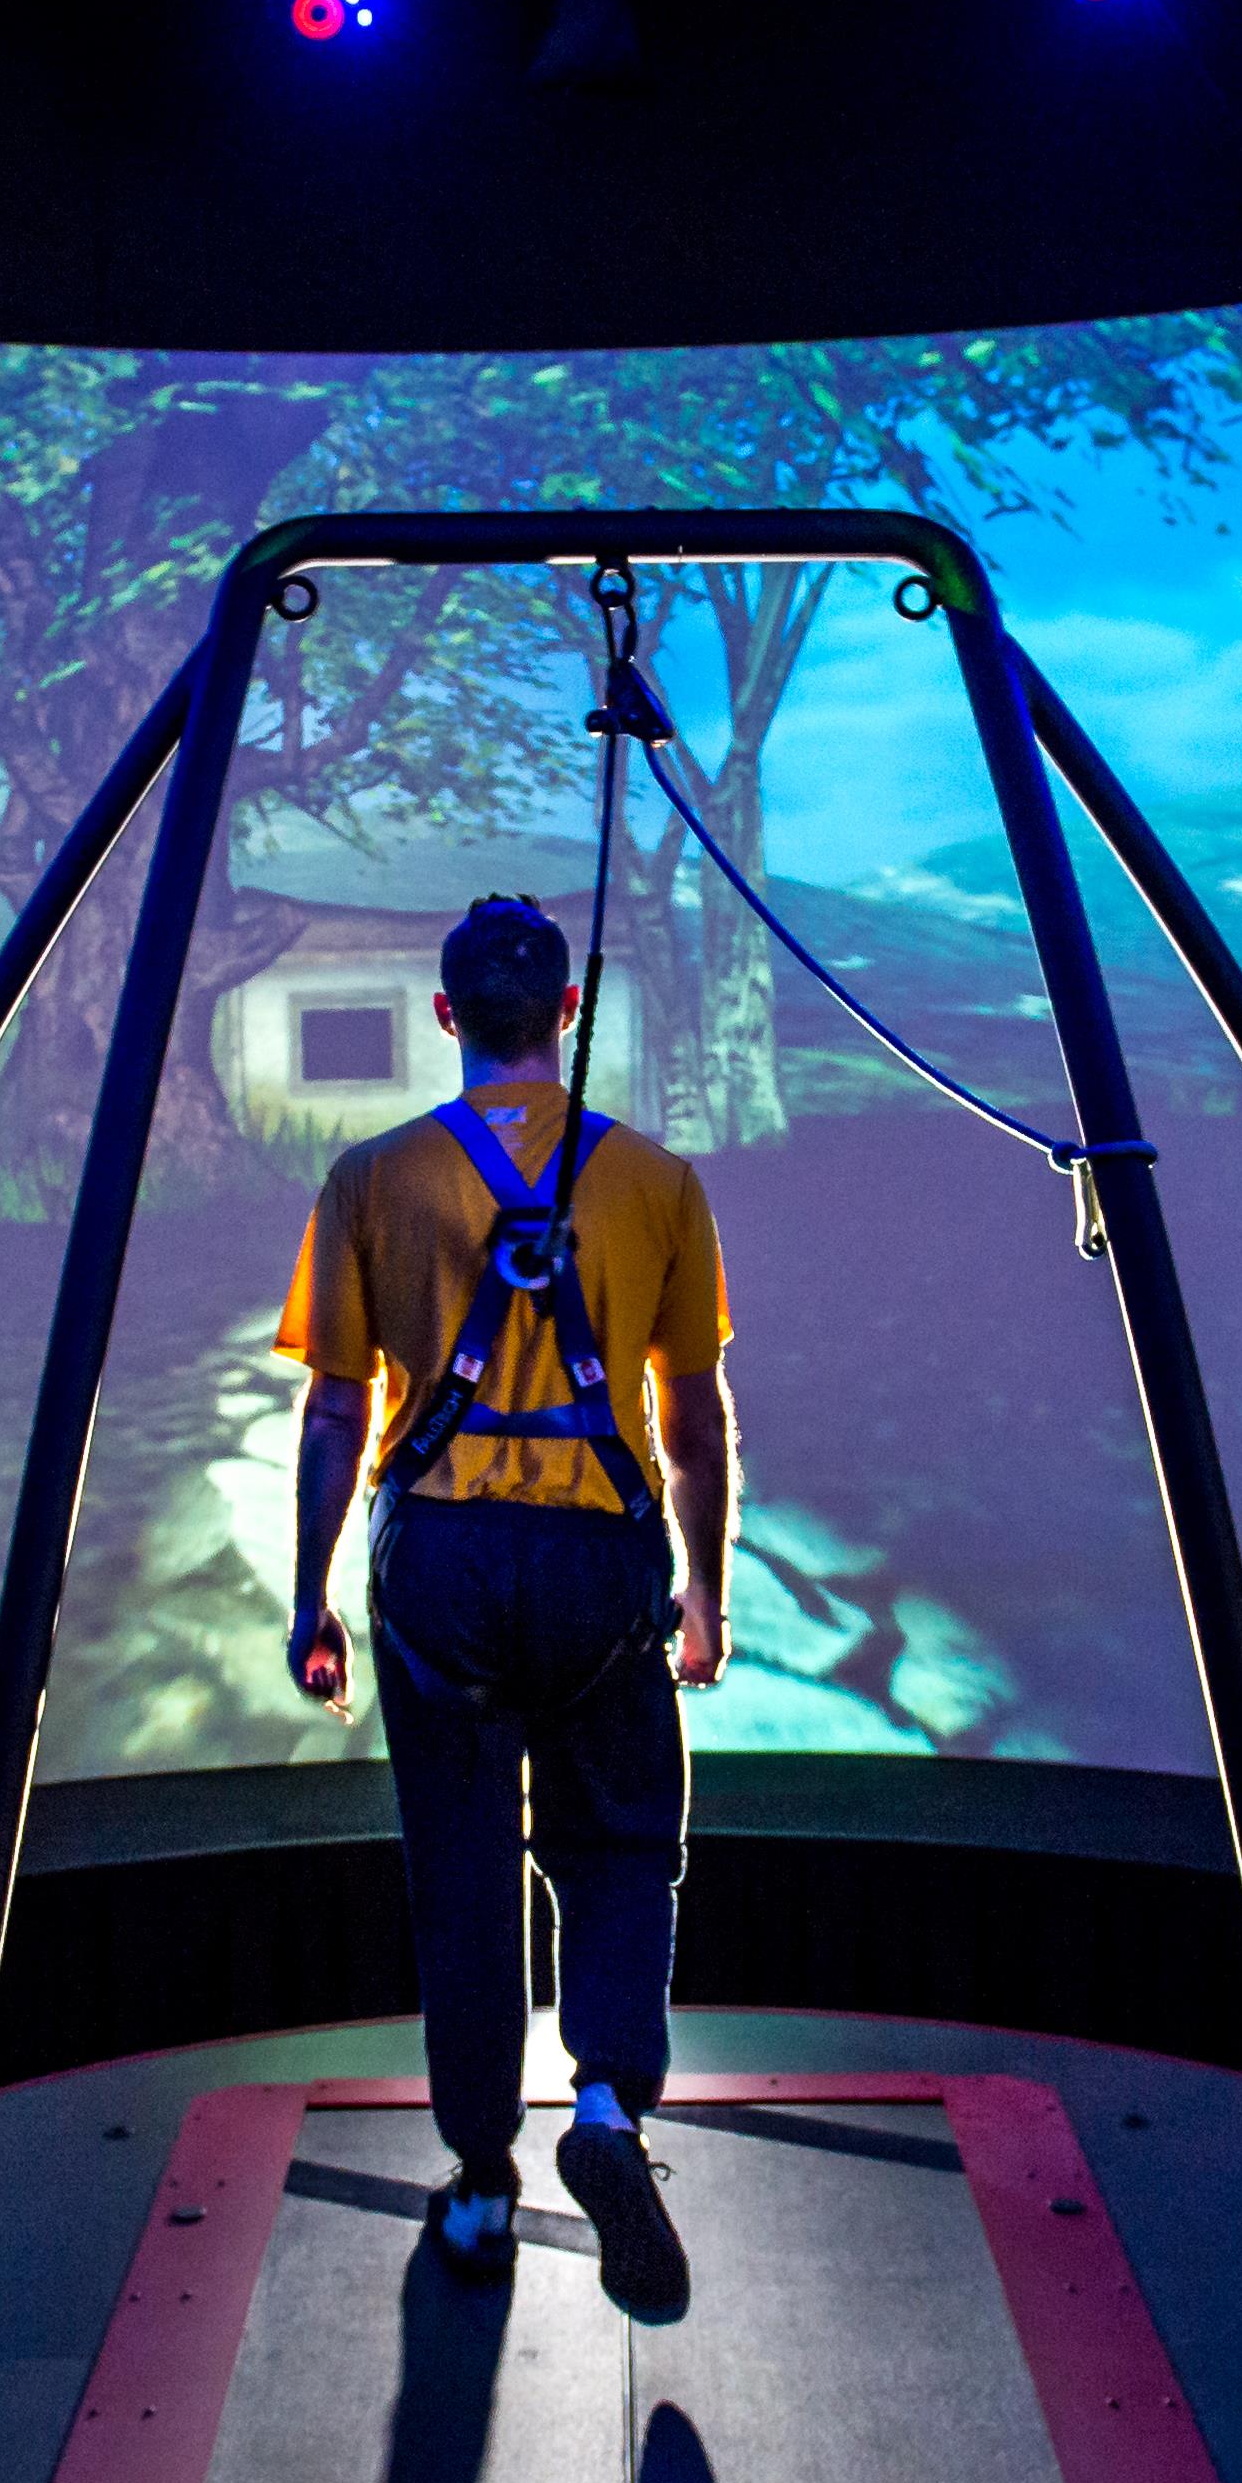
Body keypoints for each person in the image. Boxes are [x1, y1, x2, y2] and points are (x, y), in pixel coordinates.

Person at [278, 895, 732, 2320]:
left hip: (445, 1569)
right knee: (614, 1849)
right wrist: (702, 1587)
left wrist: (311, 1597)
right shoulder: (657, 1183)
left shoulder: (372, 1180)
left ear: (444, 1015)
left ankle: (481, 2179)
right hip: (597, 1555)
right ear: (570, 1015)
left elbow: (337, 1410)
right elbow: (695, 1418)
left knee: (461, 1877)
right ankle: (605, 2104)